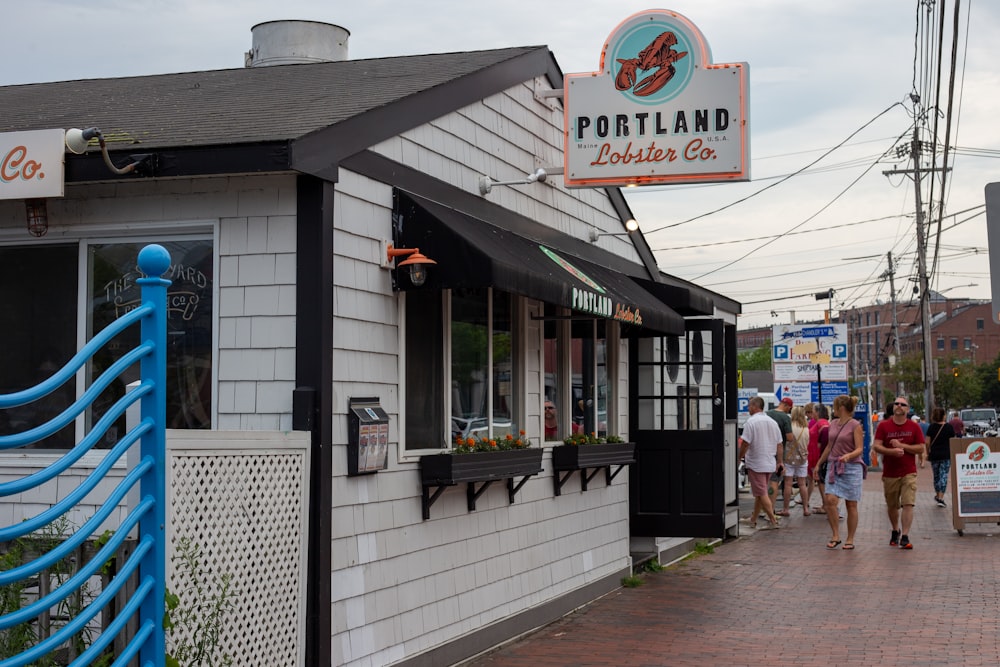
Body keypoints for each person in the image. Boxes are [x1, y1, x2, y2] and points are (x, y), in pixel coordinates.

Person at [872, 395, 925, 550]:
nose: (899, 406)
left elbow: (921, 447)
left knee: (908, 503)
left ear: (907, 409)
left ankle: (906, 536)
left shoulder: (914, 426)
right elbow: (877, 446)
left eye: (903, 404)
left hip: (908, 471)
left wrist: (902, 446)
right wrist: (891, 451)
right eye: (897, 403)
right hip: (890, 472)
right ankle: (895, 529)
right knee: (892, 506)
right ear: (893, 407)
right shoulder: (884, 426)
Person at [813, 395, 865, 550]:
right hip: (833, 465)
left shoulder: (855, 425)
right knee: (829, 500)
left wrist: (849, 455)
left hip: (851, 467)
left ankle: (850, 539)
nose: (832, 410)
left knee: (851, 503)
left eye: (834, 406)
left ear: (840, 408)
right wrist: (818, 464)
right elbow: (829, 446)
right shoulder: (833, 423)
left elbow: (859, 448)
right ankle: (835, 534)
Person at [738, 396, 783, 529]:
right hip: (769, 462)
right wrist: (779, 461)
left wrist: (739, 457)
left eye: (749, 406)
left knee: (762, 493)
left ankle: (773, 521)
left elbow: (745, 443)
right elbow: (779, 444)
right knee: (760, 492)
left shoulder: (750, 422)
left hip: (756, 462)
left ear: (754, 406)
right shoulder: (772, 422)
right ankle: (753, 519)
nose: (748, 408)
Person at [782, 406, 812, 517]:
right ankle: (805, 508)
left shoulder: (789, 427)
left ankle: (786, 509)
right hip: (803, 458)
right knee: (802, 484)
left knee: (788, 484)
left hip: (789, 458)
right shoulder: (806, 428)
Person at [766, 397, 795, 507]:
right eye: (790, 408)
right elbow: (790, 437)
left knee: (764, 482)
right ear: (787, 406)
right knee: (774, 482)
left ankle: (763, 508)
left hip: (765, 451)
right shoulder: (785, 418)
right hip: (777, 454)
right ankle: (771, 509)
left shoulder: (767, 414)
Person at [926, 407, 956, 507]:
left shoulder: (931, 427)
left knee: (936, 476)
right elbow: (953, 441)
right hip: (946, 455)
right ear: (943, 416)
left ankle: (938, 495)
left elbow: (927, 442)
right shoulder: (949, 427)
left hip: (934, 455)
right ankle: (941, 497)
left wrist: (927, 452)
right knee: (944, 475)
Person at [807, 404, 830, 513]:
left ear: (818, 412)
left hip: (818, 455)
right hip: (814, 454)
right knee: (819, 480)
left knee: (821, 481)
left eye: (813, 411)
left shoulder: (822, 423)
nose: (812, 414)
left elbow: (825, 440)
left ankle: (826, 505)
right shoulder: (819, 423)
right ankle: (824, 504)